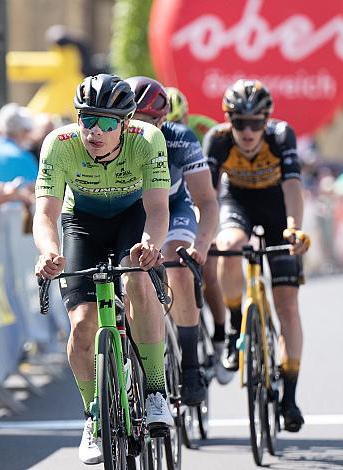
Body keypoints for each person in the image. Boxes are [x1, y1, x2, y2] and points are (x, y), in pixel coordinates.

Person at [33, 74, 173, 465]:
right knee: (83, 323)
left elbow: (159, 209)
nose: (95, 131)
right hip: (82, 223)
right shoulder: (59, 145)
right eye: (87, 119)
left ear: (125, 126)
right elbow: (45, 212)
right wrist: (47, 251)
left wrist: (151, 244)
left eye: (108, 123)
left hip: (133, 217)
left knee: (137, 283)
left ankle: (156, 391)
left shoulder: (147, 139)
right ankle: (94, 416)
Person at [203, 79, 311, 432]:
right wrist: (202, 236)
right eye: (239, 122)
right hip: (238, 203)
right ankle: (237, 324)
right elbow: (206, 194)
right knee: (230, 246)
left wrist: (294, 228)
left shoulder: (282, 136)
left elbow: (293, 186)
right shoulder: (217, 141)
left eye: (255, 123)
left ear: (267, 120)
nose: (248, 132)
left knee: (288, 307)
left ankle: (290, 396)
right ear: (227, 120)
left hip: (278, 208)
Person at [126, 77, 222, 402]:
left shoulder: (179, 139)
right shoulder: (110, 139)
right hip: (130, 211)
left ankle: (191, 364)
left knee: (179, 266)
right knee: (124, 279)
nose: (134, 130)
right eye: (128, 120)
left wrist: (202, 246)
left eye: (145, 122)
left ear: (162, 120)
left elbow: (207, 201)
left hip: (174, 206)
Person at [164, 86, 231, 384]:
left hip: (191, 199)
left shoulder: (200, 130)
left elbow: (206, 192)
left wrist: (205, 238)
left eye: (179, 120)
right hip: (158, 204)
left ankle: (219, 339)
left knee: (209, 271)